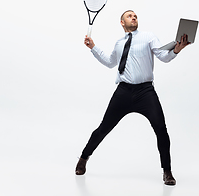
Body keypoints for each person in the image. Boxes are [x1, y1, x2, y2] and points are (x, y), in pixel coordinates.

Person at [75, 10, 190, 186]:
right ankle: (84, 158)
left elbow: (163, 57)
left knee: (161, 128)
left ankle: (167, 171)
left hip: (145, 92)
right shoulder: (119, 43)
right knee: (103, 128)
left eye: (135, 16)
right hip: (123, 92)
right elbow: (110, 62)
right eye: (129, 16)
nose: (134, 17)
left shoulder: (148, 37)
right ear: (122, 22)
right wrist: (93, 47)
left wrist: (177, 49)